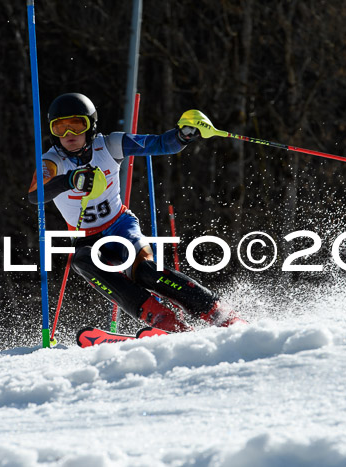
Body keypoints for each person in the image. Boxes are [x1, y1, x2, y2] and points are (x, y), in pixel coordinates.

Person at [28, 93, 243, 332]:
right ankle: (164, 320)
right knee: (81, 260)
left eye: (77, 125)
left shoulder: (110, 145)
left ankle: (219, 314)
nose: (69, 134)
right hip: (86, 238)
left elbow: (161, 144)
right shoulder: (51, 161)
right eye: (60, 128)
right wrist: (69, 180)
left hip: (120, 227)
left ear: (91, 126)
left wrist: (183, 134)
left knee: (146, 272)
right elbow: (34, 195)